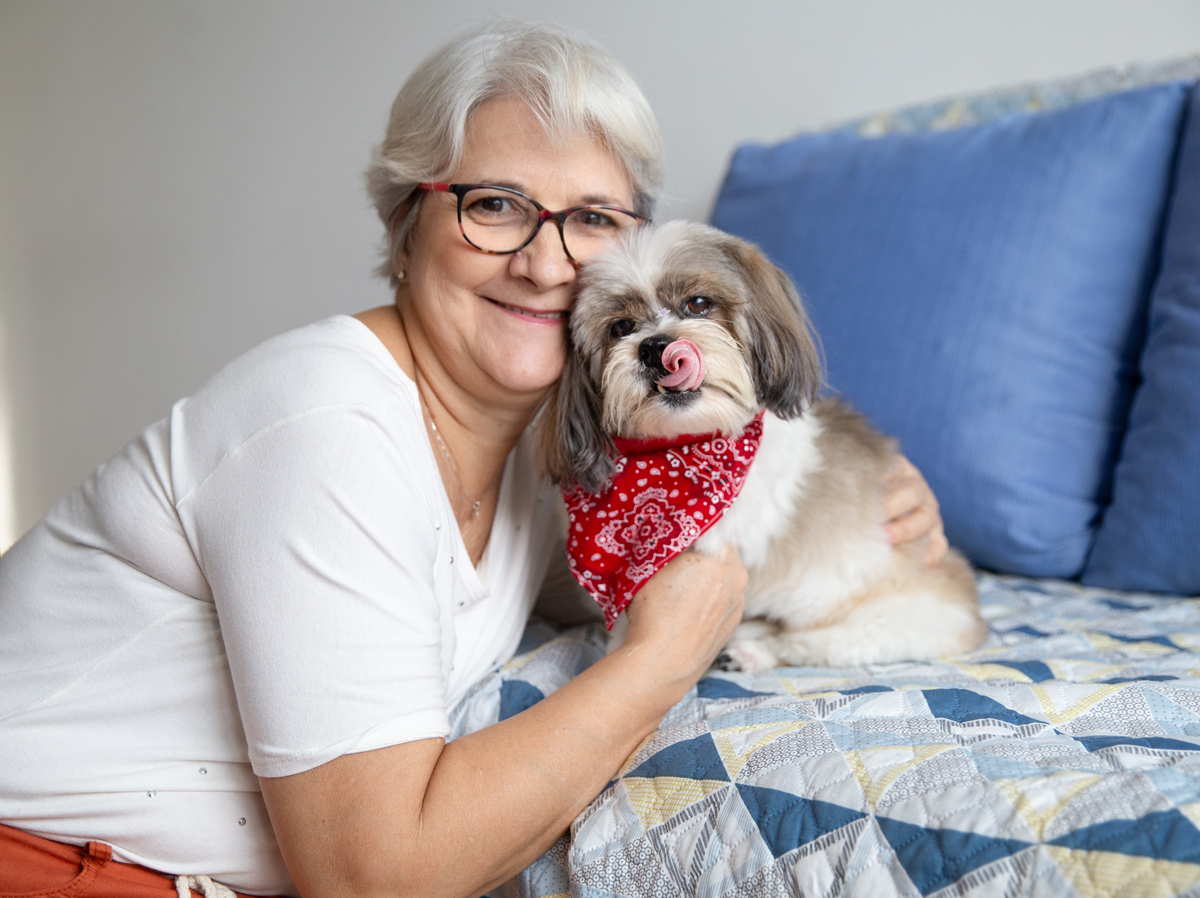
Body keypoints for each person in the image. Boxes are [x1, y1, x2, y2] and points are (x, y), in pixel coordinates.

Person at [0, 21, 950, 898]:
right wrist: (660, 662)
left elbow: (608, 569)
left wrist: (875, 492)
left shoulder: (543, 456)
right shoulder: (327, 423)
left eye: (592, 219)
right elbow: (376, 876)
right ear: (405, 226)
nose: (544, 263)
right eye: (495, 205)